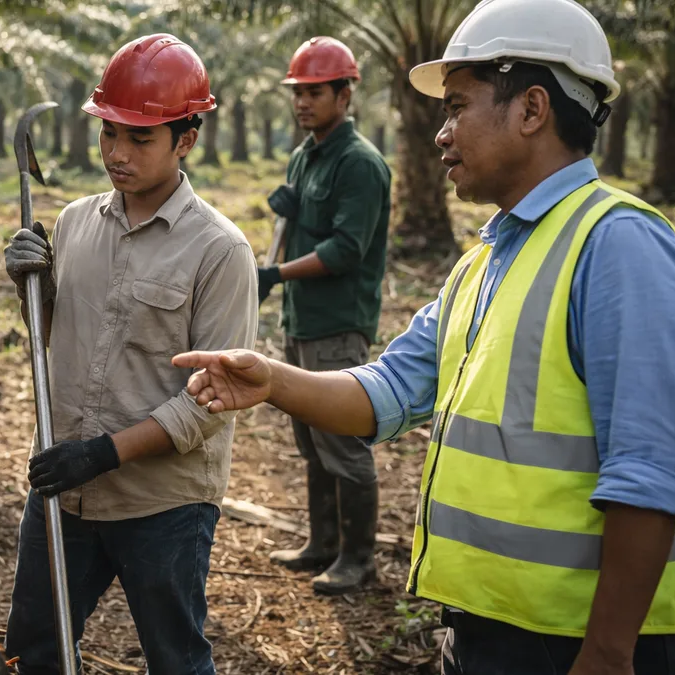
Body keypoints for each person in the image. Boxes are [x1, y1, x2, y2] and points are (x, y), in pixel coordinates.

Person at [172, 1, 675, 673]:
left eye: (456, 107)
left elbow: (650, 471)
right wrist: (273, 379)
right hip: (484, 628)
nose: (441, 134)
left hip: (575, 644)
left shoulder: (618, 244)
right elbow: (390, 388)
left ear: (531, 109)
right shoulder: (488, 258)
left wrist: (606, 650)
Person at [1, 33, 258, 675]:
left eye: (139, 138)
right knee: (34, 649)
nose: (117, 153)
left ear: (186, 139)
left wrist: (103, 453)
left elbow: (210, 404)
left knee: (175, 659)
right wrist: (29, 287)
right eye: (109, 132)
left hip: (161, 505)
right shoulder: (74, 223)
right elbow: (61, 336)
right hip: (66, 491)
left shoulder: (220, 252)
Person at [258, 36, 392, 595]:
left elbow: (345, 251)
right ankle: (324, 544)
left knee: (341, 443)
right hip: (303, 319)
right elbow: (310, 227)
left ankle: (359, 558)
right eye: (298, 92)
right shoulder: (305, 154)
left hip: (338, 322)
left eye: (316, 92)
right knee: (312, 441)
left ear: (345, 93)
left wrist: (277, 274)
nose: (304, 102)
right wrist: (291, 211)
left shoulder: (360, 164)